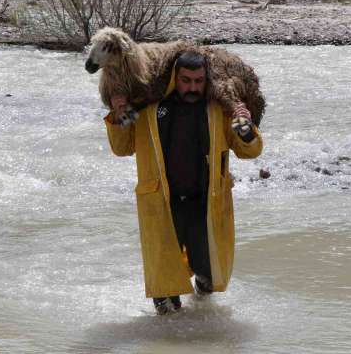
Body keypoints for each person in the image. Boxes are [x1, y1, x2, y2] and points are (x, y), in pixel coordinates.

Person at [104, 50, 263, 315]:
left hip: (205, 204)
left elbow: (250, 151)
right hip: (162, 205)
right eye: (186, 80)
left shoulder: (218, 110)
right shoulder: (149, 108)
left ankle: (201, 307)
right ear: (174, 78)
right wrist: (119, 114)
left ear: (207, 80)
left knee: (211, 275)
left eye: (199, 81)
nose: (192, 87)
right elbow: (123, 147)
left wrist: (246, 129)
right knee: (165, 293)